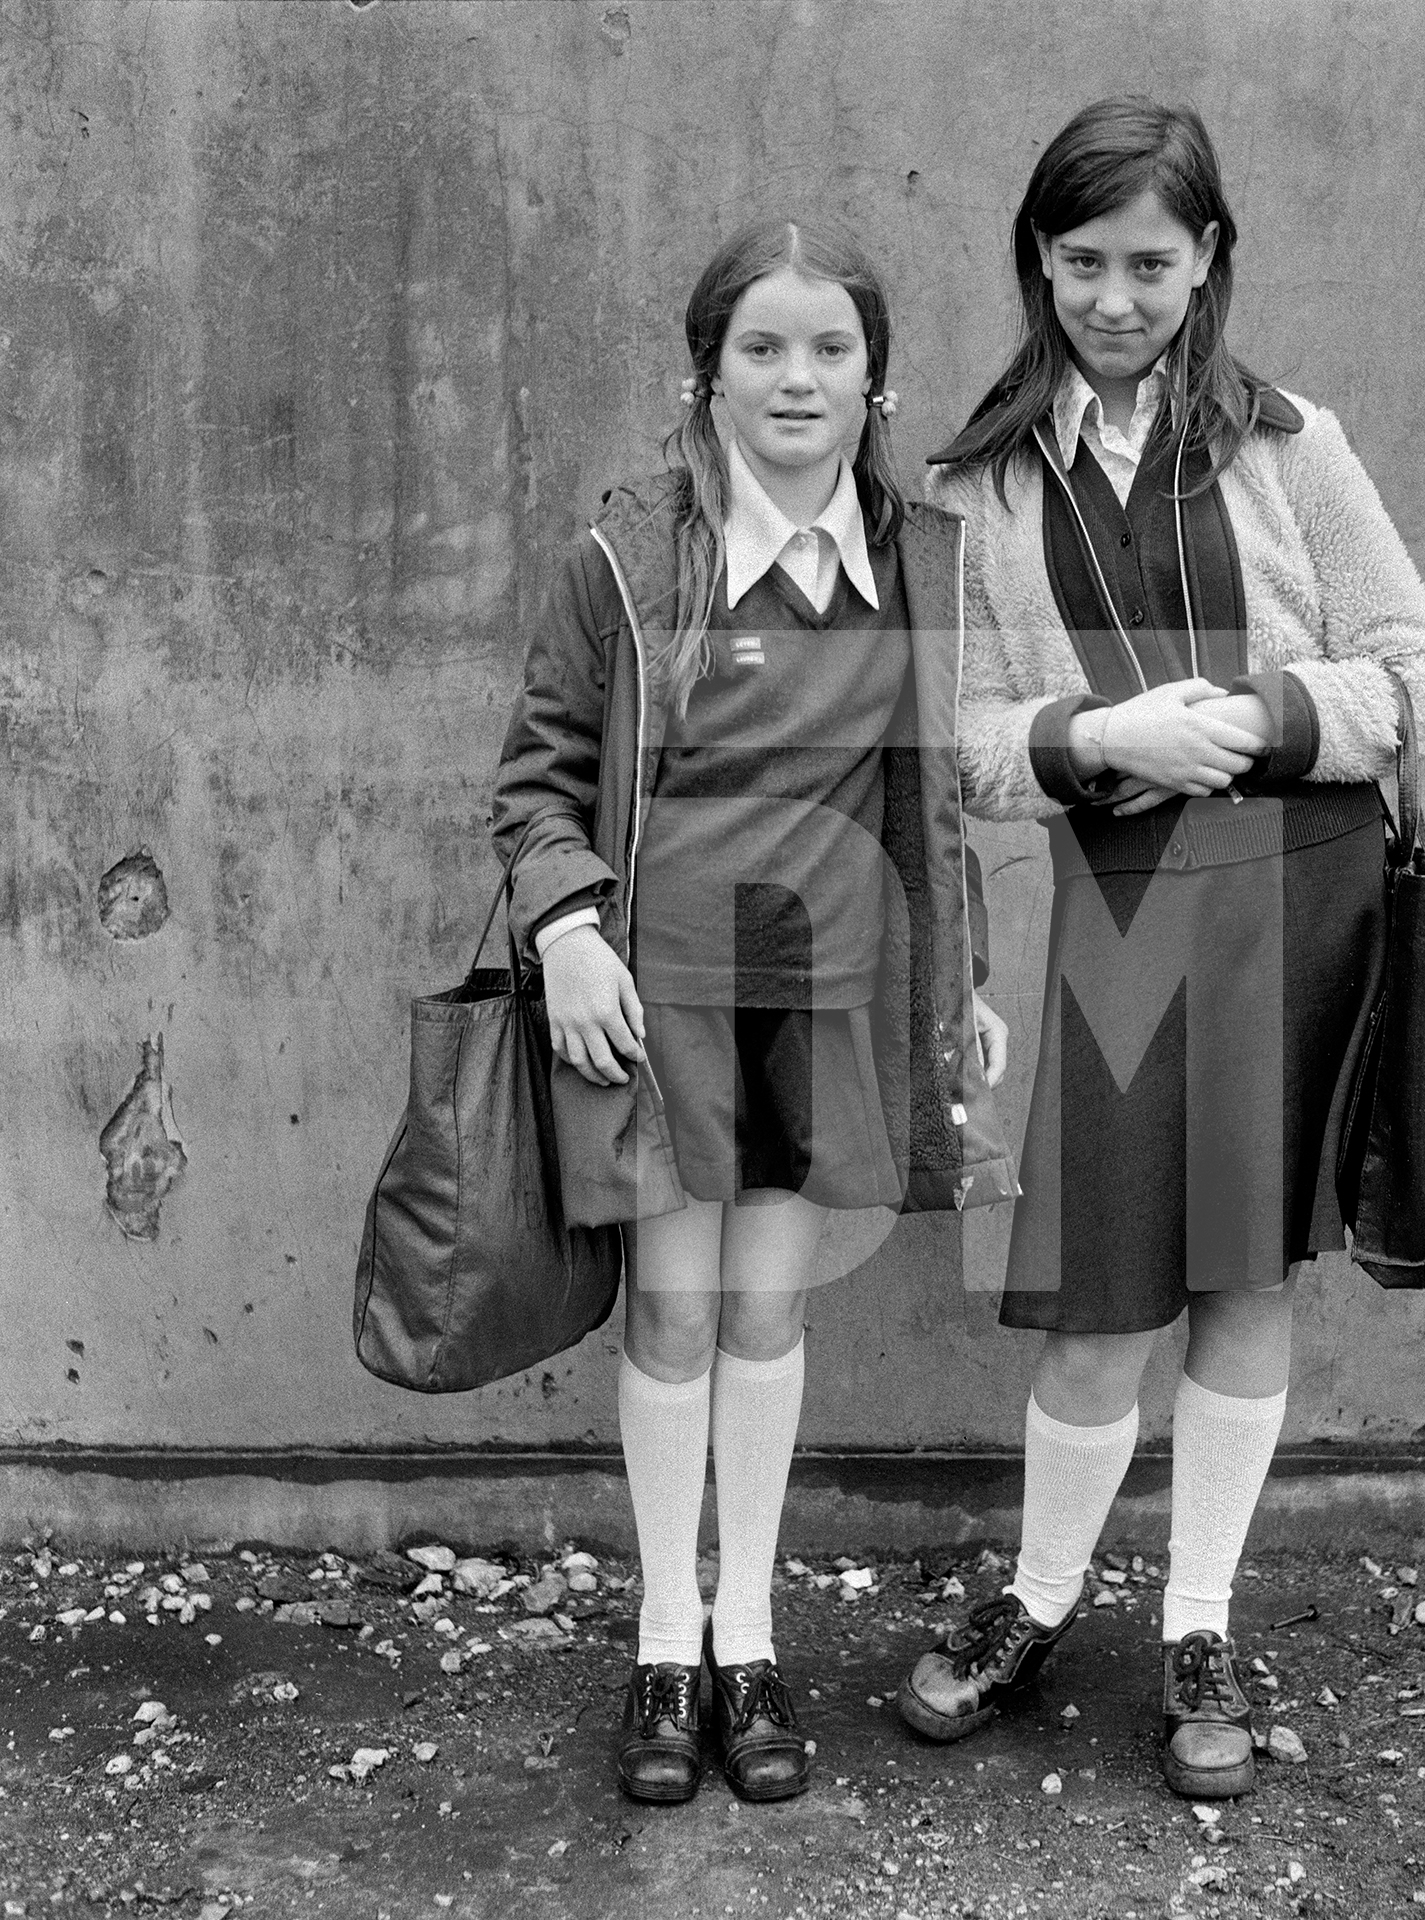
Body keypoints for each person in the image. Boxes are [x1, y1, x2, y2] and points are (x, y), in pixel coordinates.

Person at [897, 98, 1425, 1800]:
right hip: (1126, 912)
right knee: (1096, 1300)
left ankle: (1200, 1622)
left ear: (1208, 258)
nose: (1116, 296)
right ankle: (1036, 1597)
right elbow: (971, 736)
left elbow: (1421, 679)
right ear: (1038, 263)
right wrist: (1104, 743)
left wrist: (1270, 718)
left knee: (1242, 1277)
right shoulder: (983, 477)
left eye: (1151, 261)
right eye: (1082, 263)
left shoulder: (1295, 444)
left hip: (1304, 888)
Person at [493, 217, 1015, 1808]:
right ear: (703, 373)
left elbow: (928, 799)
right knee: (670, 1315)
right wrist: (569, 930)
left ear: (879, 374)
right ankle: (663, 1641)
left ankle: (750, 1635)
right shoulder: (626, 553)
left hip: (829, 995)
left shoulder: (928, 558)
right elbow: (532, 782)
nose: (798, 377)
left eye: (831, 349)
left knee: (770, 1318)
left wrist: (966, 976)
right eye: (762, 348)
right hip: (660, 1005)